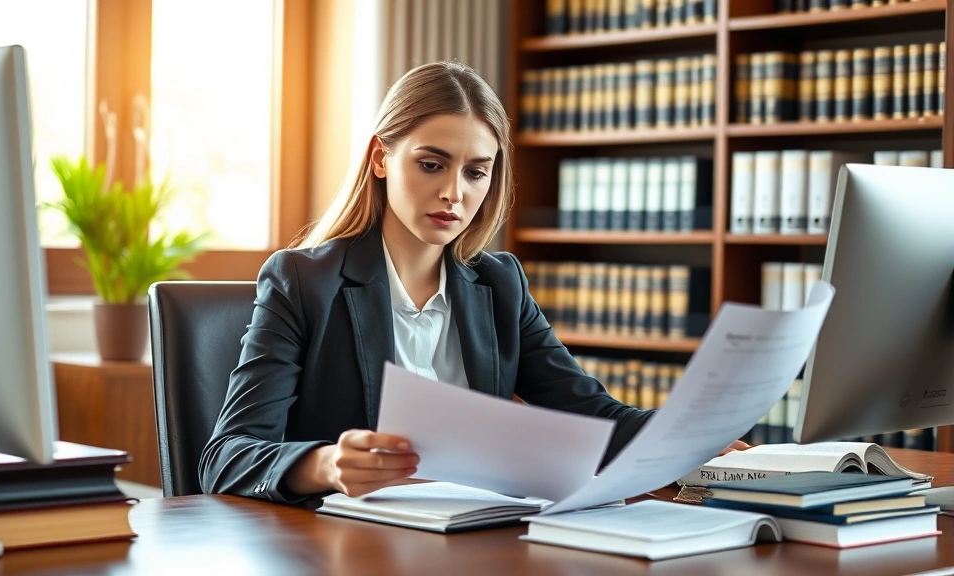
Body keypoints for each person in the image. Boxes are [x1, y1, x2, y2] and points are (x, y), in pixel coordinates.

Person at [200, 61, 744, 503]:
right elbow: (226, 456)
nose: (454, 193)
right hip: (342, 546)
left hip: (477, 539)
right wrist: (324, 464)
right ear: (381, 158)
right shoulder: (303, 280)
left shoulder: (499, 284)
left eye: (475, 171)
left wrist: (692, 442)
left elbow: (591, 415)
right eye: (432, 165)